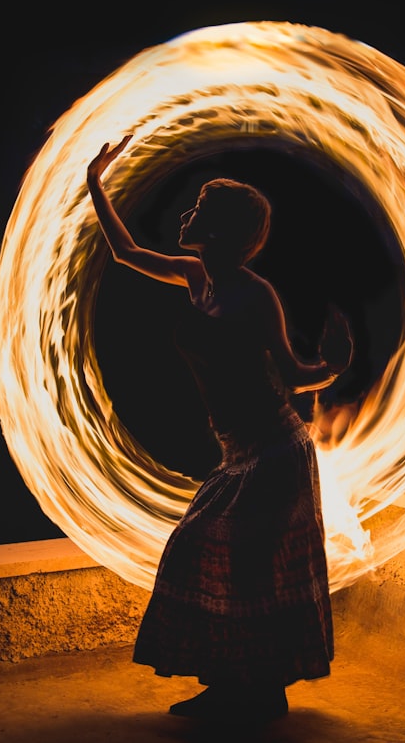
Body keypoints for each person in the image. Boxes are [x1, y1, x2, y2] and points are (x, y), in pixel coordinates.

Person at [86, 135, 353, 724]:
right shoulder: (192, 275)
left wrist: (333, 366)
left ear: (224, 230)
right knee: (215, 563)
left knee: (234, 566)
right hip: (237, 453)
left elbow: (292, 375)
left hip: (276, 451)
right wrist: (94, 182)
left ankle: (255, 695)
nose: (186, 214)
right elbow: (127, 251)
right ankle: (237, 688)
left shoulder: (256, 296)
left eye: (199, 210)